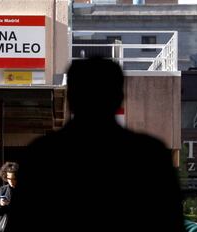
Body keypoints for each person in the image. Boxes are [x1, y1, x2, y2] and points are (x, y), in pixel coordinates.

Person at [11, 57, 185, 232]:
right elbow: (170, 222)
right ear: (119, 98)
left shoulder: (42, 154)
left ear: (71, 98)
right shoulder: (149, 154)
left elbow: (22, 222)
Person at [0, 162, 19, 232]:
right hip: (2, 229)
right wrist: (0, 205)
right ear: (5, 177)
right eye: (9, 178)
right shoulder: (0, 191)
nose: (11, 181)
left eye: (14, 179)